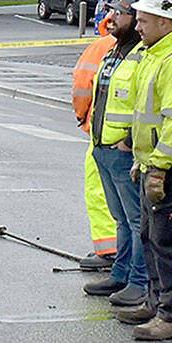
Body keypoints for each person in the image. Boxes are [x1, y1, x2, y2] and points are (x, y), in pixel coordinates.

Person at [113, 0, 172, 341]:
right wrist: (142, 159)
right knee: (150, 237)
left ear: (167, 22)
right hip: (151, 165)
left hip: (167, 169)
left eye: (145, 20)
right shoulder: (154, 55)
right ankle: (154, 302)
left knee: (167, 242)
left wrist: (160, 166)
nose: (138, 26)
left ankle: (171, 315)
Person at [82, 0, 148, 308]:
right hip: (103, 148)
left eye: (119, 14)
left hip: (123, 152)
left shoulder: (141, 56)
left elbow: (149, 105)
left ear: (135, 20)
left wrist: (131, 141)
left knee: (136, 221)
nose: (112, 19)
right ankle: (120, 273)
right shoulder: (112, 52)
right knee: (121, 218)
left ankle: (138, 280)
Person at [72, 32, 119, 269]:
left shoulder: (104, 46)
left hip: (104, 133)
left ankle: (110, 250)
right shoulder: (156, 47)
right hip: (138, 136)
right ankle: (132, 253)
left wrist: (82, 116)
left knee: (99, 189)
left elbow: (82, 84)